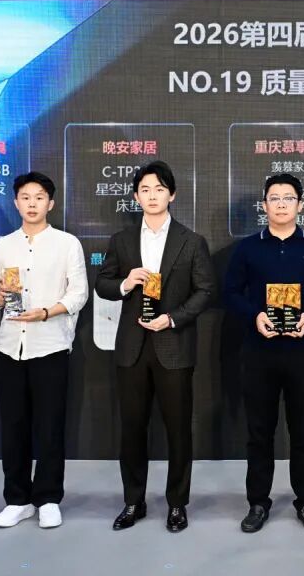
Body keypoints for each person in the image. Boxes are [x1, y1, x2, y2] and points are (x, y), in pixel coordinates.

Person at [95, 161, 216, 533]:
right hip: (132, 347)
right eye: (145, 190)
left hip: (173, 343)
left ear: (172, 194)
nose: (152, 196)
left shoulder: (191, 241)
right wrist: (125, 283)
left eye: (159, 189)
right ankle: (134, 501)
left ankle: (177, 503)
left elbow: (205, 291)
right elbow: (103, 284)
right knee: (132, 428)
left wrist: (173, 318)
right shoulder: (122, 240)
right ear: (136, 196)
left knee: (178, 430)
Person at [223, 173, 304, 533]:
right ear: (264, 205)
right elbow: (231, 293)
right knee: (259, 431)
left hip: (302, 351)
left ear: (300, 205)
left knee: (303, 430)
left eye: (288, 198)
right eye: (273, 198)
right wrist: (255, 316)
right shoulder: (247, 248)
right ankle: (258, 502)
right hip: (258, 352)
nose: (280, 204)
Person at [0, 172, 88, 529]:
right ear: (16, 203)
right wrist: (0, 295)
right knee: (13, 427)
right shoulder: (0, 248)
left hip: (50, 346)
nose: (32, 203)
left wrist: (46, 312)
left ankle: (47, 498)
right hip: (9, 347)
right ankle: (17, 499)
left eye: (39, 197)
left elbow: (79, 294)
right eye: (25, 197)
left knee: (50, 426)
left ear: (51, 203)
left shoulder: (67, 244)